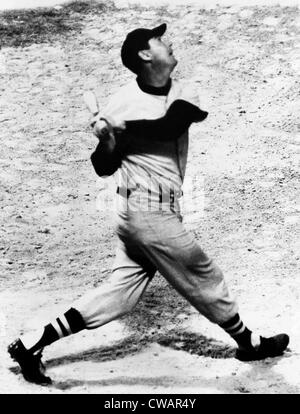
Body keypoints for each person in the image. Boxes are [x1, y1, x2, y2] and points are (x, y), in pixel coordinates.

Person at [8, 23, 289, 385]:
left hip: (150, 214)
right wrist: (109, 141)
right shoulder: (120, 101)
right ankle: (248, 342)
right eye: (159, 39)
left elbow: (170, 126)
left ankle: (33, 342)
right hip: (145, 212)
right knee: (203, 272)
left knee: (119, 294)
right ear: (145, 54)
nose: (169, 42)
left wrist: (121, 126)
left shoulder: (183, 92)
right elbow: (102, 166)